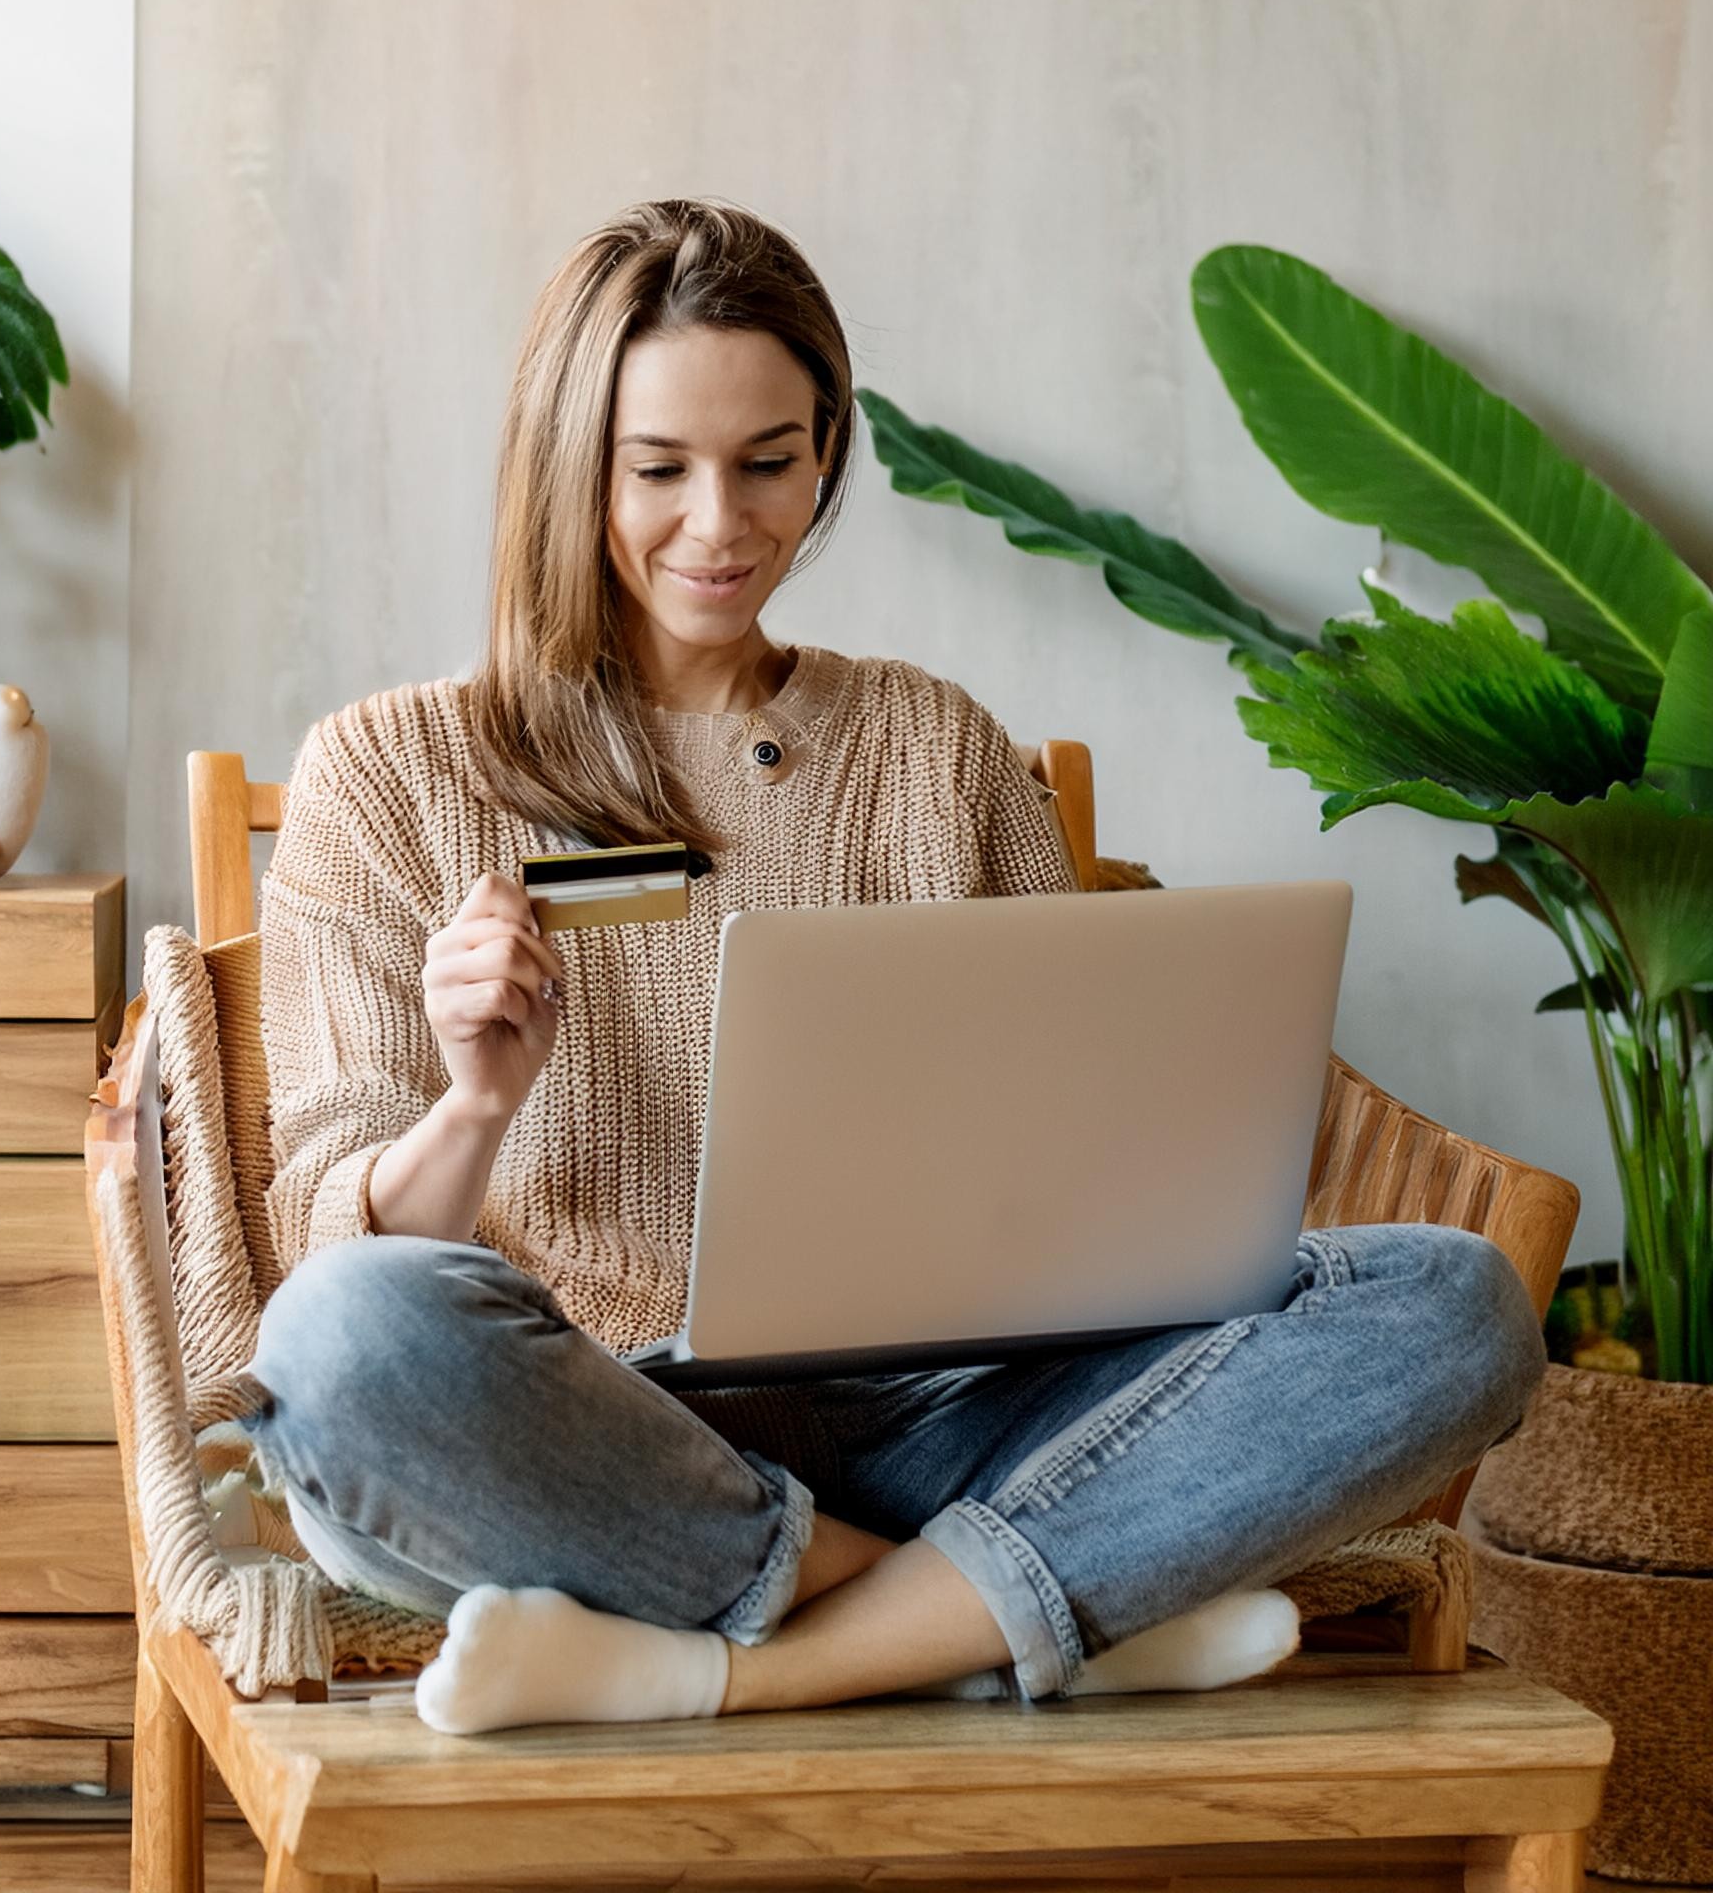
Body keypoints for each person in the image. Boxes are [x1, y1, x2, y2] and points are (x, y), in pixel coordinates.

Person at [240, 197, 1547, 1737]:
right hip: (591, 1436)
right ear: (564, 464)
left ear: (827, 451)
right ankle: (1012, 1608)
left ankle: (754, 1662)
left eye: (769, 463)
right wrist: (474, 1103)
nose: (719, 525)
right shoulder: (386, 775)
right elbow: (338, 1252)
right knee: (343, 1349)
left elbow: (1087, 1175)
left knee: (1456, 1304)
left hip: (946, 1412)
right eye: (657, 471)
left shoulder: (940, 751)